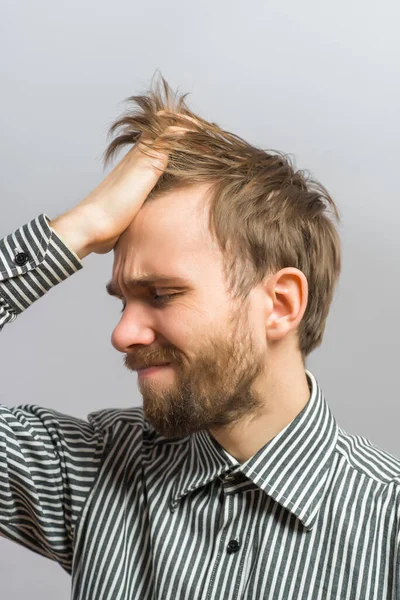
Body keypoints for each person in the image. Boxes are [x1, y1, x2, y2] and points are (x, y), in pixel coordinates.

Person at [0, 74, 399, 599]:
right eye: (123, 300)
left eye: (162, 294)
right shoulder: (94, 471)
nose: (122, 334)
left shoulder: (387, 531)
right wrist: (79, 228)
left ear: (279, 305)